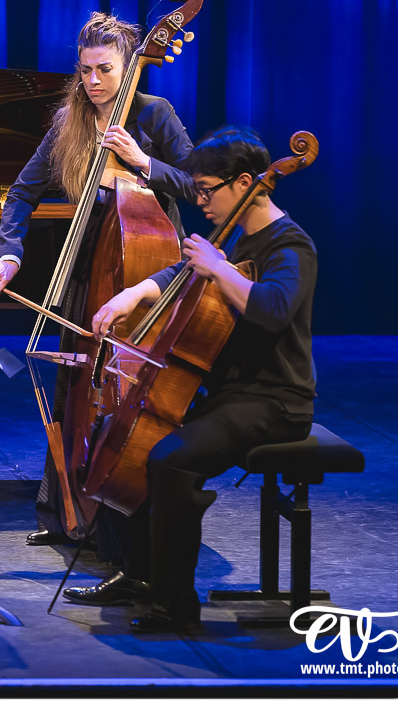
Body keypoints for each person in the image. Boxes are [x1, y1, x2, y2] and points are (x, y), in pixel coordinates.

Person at [77, 127, 316, 632]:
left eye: (207, 189)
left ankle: (175, 605)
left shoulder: (291, 244)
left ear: (247, 182)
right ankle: (139, 573)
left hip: (273, 400)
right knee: (122, 438)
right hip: (227, 393)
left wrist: (218, 269)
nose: (200, 200)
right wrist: (135, 293)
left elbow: (271, 309)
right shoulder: (234, 236)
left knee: (170, 461)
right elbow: (179, 273)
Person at [0, 12, 195, 547]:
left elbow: (197, 187)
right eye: (85, 70)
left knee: (127, 394)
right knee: (74, 387)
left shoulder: (155, 114)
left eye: (105, 69)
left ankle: (126, 521)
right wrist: (10, 255)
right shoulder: (69, 123)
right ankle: (63, 512)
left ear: (130, 68)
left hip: (146, 274)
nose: (94, 81)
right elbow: (23, 192)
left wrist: (143, 161)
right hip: (86, 268)